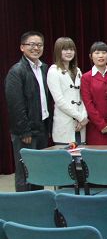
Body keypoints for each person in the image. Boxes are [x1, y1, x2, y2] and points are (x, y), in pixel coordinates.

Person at [5, 31, 52, 191]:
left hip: (41, 127)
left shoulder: (44, 68)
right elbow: (15, 104)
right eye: (31, 44)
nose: (36, 48)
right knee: (25, 172)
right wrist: (24, 131)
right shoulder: (16, 71)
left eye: (39, 45)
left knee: (38, 171)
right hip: (25, 131)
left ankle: (38, 202)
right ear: (22, 47)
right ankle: (24, 204)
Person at [47, 37, 88, 145]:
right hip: (65, 123)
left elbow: (84, 96)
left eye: (71, 49)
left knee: (80, 154)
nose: (69, 52)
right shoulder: (53, 71)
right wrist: (80, 117)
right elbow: (59, 100)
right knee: (66, 154)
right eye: (65, 49)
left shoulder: (77, 71)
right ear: (58, 51)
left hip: (81, 124)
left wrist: (84, 116)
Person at [80, 41, 107, 145]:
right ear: (91, 56)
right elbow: (88, 103)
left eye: (104, 53)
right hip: (95, 126)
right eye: (97, 53)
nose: (101, 56)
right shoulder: (86, 77)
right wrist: (101, 124)